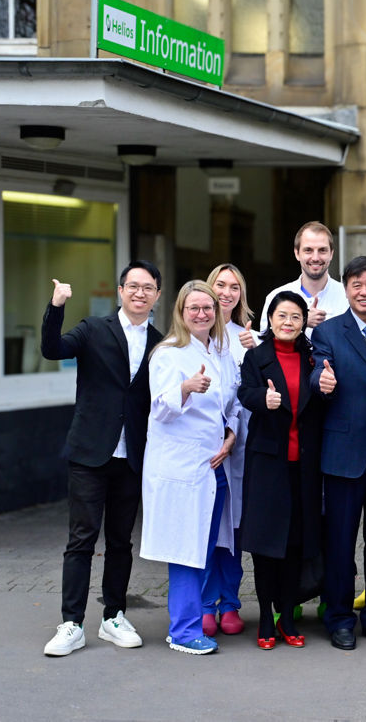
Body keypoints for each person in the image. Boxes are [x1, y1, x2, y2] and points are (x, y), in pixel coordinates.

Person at [40, 262, 163, 657]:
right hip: (91, 451)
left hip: (132, 455)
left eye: (148, 288)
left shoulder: (162, 343)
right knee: (81, 539)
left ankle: (114, 616)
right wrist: (56, 306)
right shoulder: (94, 329)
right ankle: (71, 623)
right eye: (133, 286)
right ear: (120, 291)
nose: (140, 293)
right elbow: (52, 349)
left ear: (158, 295)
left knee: (121, 542)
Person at [140, 281, 240, 655]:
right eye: (193, 308)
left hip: (214, 467)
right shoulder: (168, 353)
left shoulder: (219, 351)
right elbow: (160, 409)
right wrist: (185, 387)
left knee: (203, 548)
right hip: (182, 469)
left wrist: (231, 435)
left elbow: (231, 402)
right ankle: (183, 631)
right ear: (180, 312)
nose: (201, 314)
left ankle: (191, 622)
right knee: (185, 549)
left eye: (208, 308)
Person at [311, 256, 366, 650]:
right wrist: (321, 381)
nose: (364, 292)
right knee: (340, 541)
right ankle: (340, 617)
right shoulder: (329, 331)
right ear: (345, 289)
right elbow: (316, 369)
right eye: (356, 285)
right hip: (343, 451)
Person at [238, 291, 325, 649]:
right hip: (267, 463)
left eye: (295, 317)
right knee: (266, 546)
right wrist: (264, 399)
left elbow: (320, 402)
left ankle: (288, 616)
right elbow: (243, 393)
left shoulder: (311, 358)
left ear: (304, 322)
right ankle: (265, 619)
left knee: (295, 544)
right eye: (281, 315)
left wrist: (327, 389)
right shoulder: (255, 356)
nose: (287, 322)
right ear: (269, 319)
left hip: (303, 465)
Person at [199, 263, 258, 638]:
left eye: (234, 287)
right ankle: (204, 604)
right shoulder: (196, 337)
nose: (226, 292)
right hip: (204, 448)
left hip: (239, 446)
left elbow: (246, 395)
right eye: (219, 285)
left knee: (233, 527)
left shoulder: (247, 338)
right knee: (206, 525)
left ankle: (231, 602)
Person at [260, 221, 348, 337]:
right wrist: (302, 322)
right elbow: (266, 346)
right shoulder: (276, 297)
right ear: (297, 253)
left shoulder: (347, 297)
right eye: (308, 250)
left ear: (331, 254)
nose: (315, 258)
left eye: (322, 250)